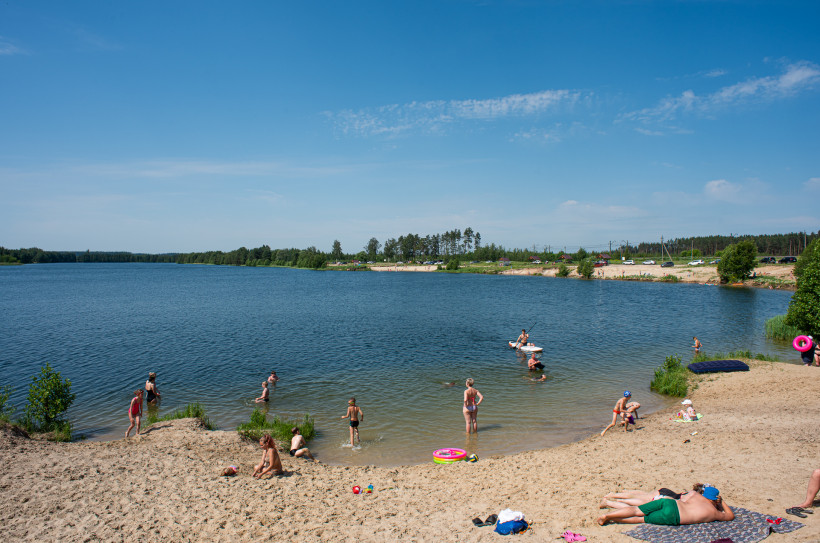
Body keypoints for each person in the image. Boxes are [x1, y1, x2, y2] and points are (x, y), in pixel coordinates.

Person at [598, 485, 734, 526]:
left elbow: (686, 496)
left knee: (636, 510)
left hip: (670, 502)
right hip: (674, 515)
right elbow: (730, 516)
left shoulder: (696, 496)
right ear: (715, 500)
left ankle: (608, 514)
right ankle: (610, 518)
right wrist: (721, 502)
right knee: (642, 518)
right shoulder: (715, 513)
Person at [600, 484, 705, 509]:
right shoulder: (695, 499)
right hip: (666, 497)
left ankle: (616, 494)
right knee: (638, 502)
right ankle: (614, 497)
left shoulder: (690, 492)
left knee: (643, 495)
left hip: (668, 492)